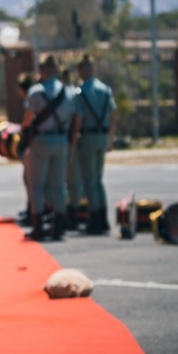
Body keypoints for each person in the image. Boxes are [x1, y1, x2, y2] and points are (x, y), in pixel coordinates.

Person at [21, 55, 80, 242]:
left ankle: (38, 226)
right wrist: (71, 144)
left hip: (41, 140)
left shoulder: (36, 91)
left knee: (37, 185)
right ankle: (58, 226)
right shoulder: (69, 92)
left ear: (42, 71)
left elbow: (28, 119)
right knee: (59, 185)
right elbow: (76, 120)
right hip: (61, 140)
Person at [75, 55, 116, 234]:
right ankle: (103, 218)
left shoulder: (81, 92)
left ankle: (95, 219)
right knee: (98, 180)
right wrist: (110, 138)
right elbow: (113, 115)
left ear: (81, 71)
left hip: (88, 137)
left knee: (90, 181)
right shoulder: (105, 89)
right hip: (103, 136)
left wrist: (74, 138)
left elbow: (78, 118)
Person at [61, 67, 85, 230]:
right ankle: (74, 213)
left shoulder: (67, 94)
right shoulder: (74, 93)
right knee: (74, 182)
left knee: (64, 182)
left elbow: (76, 120)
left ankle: (68, 215)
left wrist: (72, 144)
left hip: (67, 140)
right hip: (72, 140)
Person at [15, 72, 40, 225]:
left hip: (35, 144)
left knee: (32, 181)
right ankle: (33, 211)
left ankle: (34, 214)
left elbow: (28, 121)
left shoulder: (32, 97)